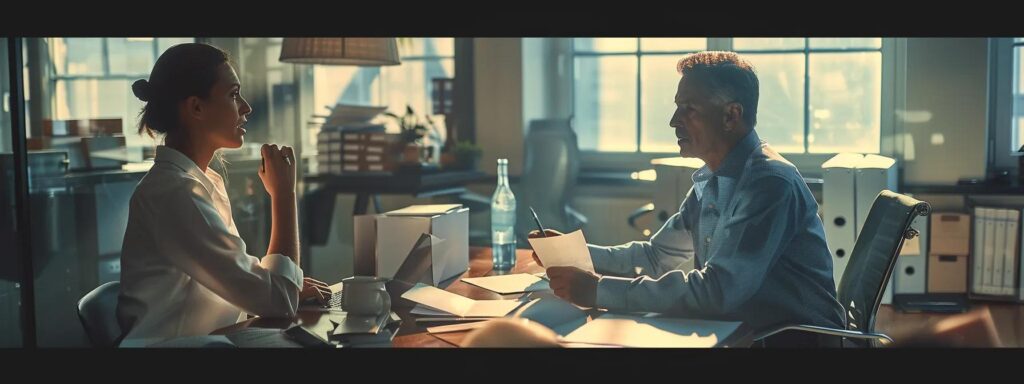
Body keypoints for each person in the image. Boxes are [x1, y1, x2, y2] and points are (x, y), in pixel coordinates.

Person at [532, 51, 845, 347]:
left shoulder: (769, 184)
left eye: (689, 109)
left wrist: (597, 289)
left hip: (789, 341)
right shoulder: (713, 177)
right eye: (677, 107)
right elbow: (655, 256)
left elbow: (719, 290)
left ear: (730, 115)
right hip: (745, 331)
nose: (673, 121)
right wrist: (570, 253)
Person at [116, 43, 330, 347]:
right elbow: (278, 301)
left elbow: (239, 275)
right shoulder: (175, 193)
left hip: (215, 340)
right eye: (233, 94)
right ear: (196, 108)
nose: (246, 107)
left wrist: (282, 286)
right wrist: (283, 196)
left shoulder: (201, 181)